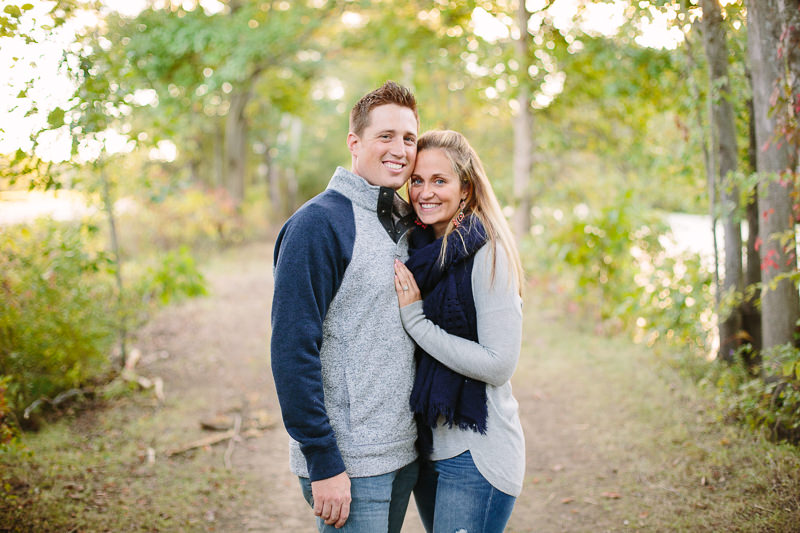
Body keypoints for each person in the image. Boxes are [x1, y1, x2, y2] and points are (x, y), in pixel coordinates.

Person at [270, 81, 421, 532]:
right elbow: (291, 350)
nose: (400, 149)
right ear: (354, 143)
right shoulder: (319, 224)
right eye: (386, 136)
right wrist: (323, 460)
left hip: (401, 450)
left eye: (409, 138)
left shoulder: (402, 222)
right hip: (350, 463)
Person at [393, 130, 526, 533]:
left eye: (440, 181)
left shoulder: (489, 253)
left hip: (476, 452)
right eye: (417, 180)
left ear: (465, 189)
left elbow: (499, 364)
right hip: (430, 448)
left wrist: (416, 320)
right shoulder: (417, 250)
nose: (425, 192)